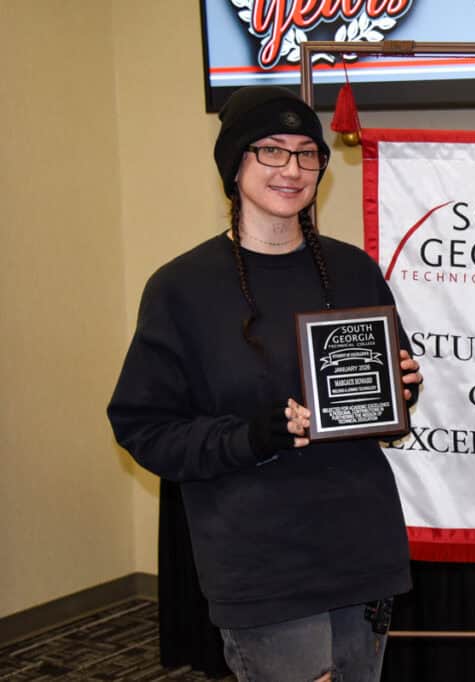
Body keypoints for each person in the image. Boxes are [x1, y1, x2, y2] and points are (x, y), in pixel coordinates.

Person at [108, 86, 422, 682]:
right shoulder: (182, 288)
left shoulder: (354, 270)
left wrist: (400, 388)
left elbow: (378, 391)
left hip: (361, 549)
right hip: (260, 559)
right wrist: (258, 435)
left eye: (308, 153)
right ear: (235, 164)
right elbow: (144, 430)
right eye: (272, 151)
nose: (293, 169)